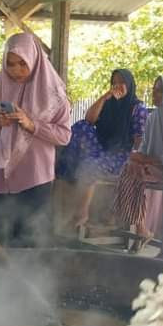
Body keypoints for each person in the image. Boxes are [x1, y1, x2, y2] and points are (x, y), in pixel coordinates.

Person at [0, 32, 71, 247]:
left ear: (35, 59)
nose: (16, 70)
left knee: (30, 240)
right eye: (10, 64)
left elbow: (64, 135)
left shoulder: (55, 95)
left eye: (23, 63)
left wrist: (32, 125)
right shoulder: (1, 87)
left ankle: (28, 281)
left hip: (33, 178)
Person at [56, 68, 147, 228]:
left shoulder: (137, 108)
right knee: (81, 127)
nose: (117, 86)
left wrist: (135, 160)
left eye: (122, 82)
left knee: (89, 165)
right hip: (103, 149)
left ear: (130, 84)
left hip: (123, 155)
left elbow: (140, 140)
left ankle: (82, 213)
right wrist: (105, 97)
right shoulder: (109, 103)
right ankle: (66, 171)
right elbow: (89, 119)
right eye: (114, 83)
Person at [113, 75, 163, 250]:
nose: (154, 94)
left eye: (159, 91)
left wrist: (145, 159)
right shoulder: (154, 117)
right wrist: (137, 155)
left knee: (136, 171)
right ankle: (140, 227)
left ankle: (139, 228)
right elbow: (145, 148)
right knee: (129, 167)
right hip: (155, 166)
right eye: (154, 90)